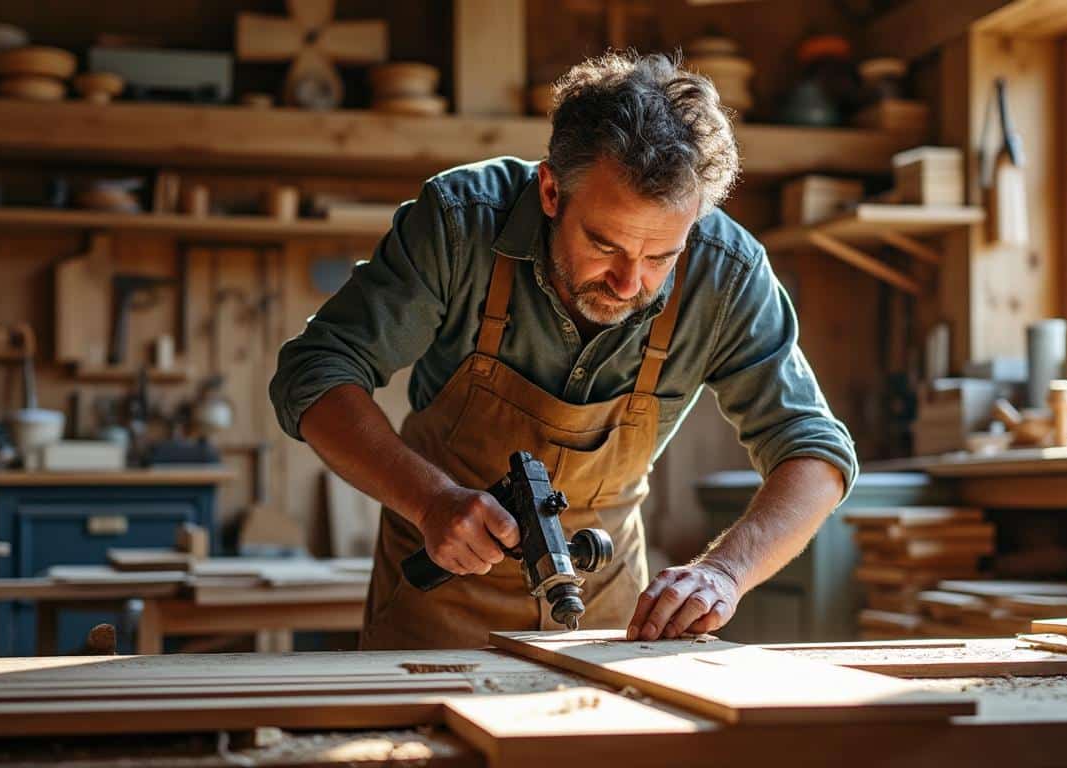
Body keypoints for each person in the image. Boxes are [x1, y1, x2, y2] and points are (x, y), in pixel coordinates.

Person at [270, 51, 857, 650]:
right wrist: (431, 501)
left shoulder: (726, 272)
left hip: (607, 613)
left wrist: (725, 573)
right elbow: (315, 371)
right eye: (605, 244)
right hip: (437, 591)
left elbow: (814, 451)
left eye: (661, 258)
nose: (630, 283)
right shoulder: (459, 223)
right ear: (551, 191)